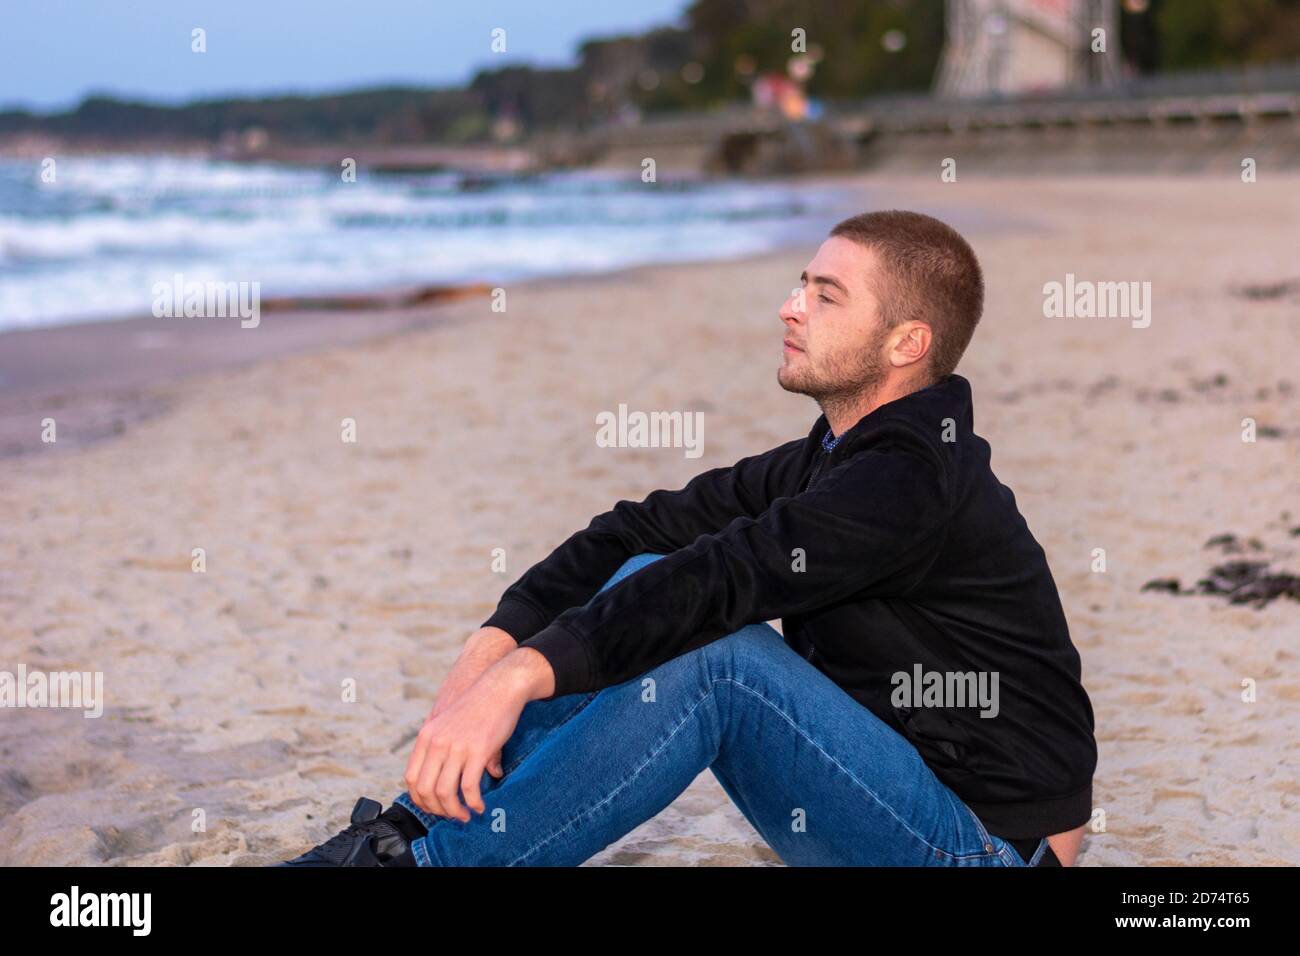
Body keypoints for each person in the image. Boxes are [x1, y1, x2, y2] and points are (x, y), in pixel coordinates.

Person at [278, 210, 1097, 868]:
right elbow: (641, 529)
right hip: (893, 791)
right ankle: (402, 837)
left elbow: (728, 579)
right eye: (800, 284)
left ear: (906, 343)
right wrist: (494, 642)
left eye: (827, 296)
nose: (790, 306)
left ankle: (440, 864)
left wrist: (525, 675)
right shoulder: (836, 456)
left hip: (984, 847)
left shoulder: (907, 482)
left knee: (719, 659)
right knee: (647, 569)